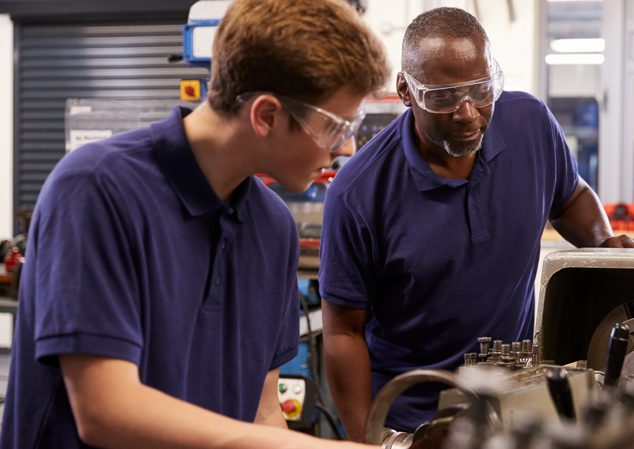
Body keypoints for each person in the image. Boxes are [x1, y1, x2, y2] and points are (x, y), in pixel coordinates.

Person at [0, 1, 389, 448]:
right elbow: (104, 410)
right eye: (337, 125)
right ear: (266, 115)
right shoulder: (96, 189)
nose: (347, 147)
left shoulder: (273, 227)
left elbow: (262, 413)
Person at [319, 7, 634, 440]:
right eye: (443, 97)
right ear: (406, 90)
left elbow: (570, 195)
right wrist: (372, 438)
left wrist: (604, 245)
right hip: (415, 422)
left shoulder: (529, 124)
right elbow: (343, 331)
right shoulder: (358, 192)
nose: (467, 113)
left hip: (518, 400)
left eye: (481, 90)